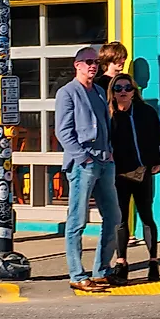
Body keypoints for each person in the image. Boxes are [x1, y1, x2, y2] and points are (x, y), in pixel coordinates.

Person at [54, 46, 114, 292]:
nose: (93, 66)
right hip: (83, 163)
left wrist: (109, 152)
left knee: (114, 217)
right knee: (77, 220)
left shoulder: (99, 91)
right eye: (88, 62)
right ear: (77, 65)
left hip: (104, 161)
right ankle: (77, 274)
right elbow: (63, 131)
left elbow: (105, 125)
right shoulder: (67, 93)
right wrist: (83, 157)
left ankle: (102, 270)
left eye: (96, 62)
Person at [104, 74, 160, 284]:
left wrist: (159, 160)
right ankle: (121, 262)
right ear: (112, 93)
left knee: (146, 215)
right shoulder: (108, 114)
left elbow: (159, 137)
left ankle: (153, 261)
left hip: (142, 171)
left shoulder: (145, 112)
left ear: (134, 91)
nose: (123, 91)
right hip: (118, 172)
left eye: (127, 88)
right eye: (118, 88)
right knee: (121, 219)